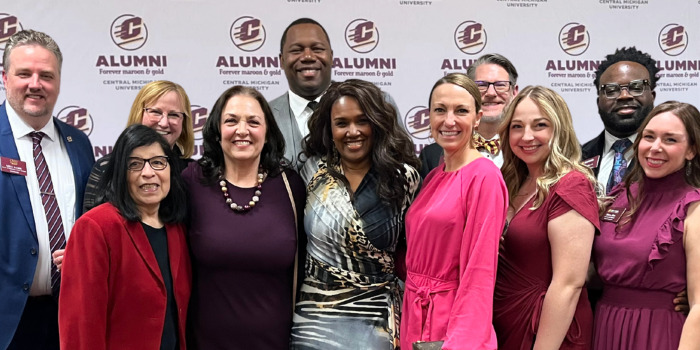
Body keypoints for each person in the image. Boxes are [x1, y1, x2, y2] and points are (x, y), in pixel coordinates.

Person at [289, 79, 420, 349]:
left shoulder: (403, 178)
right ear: (329, 128)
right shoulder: (312, 171)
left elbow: (420, 251)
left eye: (362, 121)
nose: (353, 131)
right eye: (342, 123)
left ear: (377, 123)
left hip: (377, 325)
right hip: (314, 324)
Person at [182, 85, 305, 349]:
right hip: (204, 342)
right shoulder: (192, 181)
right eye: (231, 121)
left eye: (253, 121)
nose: (242, 130)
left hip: (277, 343)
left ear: (267, 131)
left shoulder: (290, 185)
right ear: (216, 131)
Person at [0, 29, 94, 350]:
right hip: (6, 320)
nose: (35, 84)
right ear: (5, 77)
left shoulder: (79, 144)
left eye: (47, 75)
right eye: (24, 73)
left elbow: (92, 221)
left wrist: (83, 255)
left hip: (68, 315)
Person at [58, 124, 191, 349]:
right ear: (120, 172)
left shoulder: (176, 229)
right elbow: (81, 325)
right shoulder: (95, 227)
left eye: (158, 162)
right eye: (135, 164)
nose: (149, 173)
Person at [402, 73, 507, 349]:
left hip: (452, 326)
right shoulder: (434, 176)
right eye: (440, 110)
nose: (449, 121)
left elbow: (479, 274)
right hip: (415, 317)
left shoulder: (484, 177)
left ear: (477, 118)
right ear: (429, 116)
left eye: (461, 111)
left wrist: (461, 342)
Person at [493, 86, 600, 349]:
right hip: (504, 321)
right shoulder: (511, 182)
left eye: (540, 125)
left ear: (558, 129)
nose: (526, 136)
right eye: (517, 127)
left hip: (550, 331)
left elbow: (569, 283)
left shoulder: (571, 184)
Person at [592, 101, 700, 349]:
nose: (655, 148)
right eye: (648, 137)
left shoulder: (694, 207)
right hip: (606, 325)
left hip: (659, 331)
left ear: (692, 150)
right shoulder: (619, 196)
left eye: (670, 140)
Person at [270, 18, 401, 169]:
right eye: (296, 50)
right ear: (281, 60)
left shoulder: (379, 103)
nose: (307, 57)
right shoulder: (263, 117)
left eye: (317, 49)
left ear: (331, 57)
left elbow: (401, 165)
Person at [82, 80, 194, 212]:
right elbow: (90, 225)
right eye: (156, 112)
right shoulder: (107, 167)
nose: (164, 123)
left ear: (184, 122)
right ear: (138, 113)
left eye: (174, 114)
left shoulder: (192, 173)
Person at [419, 53, 519, 177]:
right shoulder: (431, 156)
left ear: (514, 92)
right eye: (481, 85)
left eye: (500, 85)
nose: (491, 93)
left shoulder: (527, 149)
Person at [582, 47, 659, 194]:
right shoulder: (576, 158)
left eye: (636, 87)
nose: (624, 96)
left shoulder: (671, 158)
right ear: (599, 102)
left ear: (652, 96)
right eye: (611, 90)